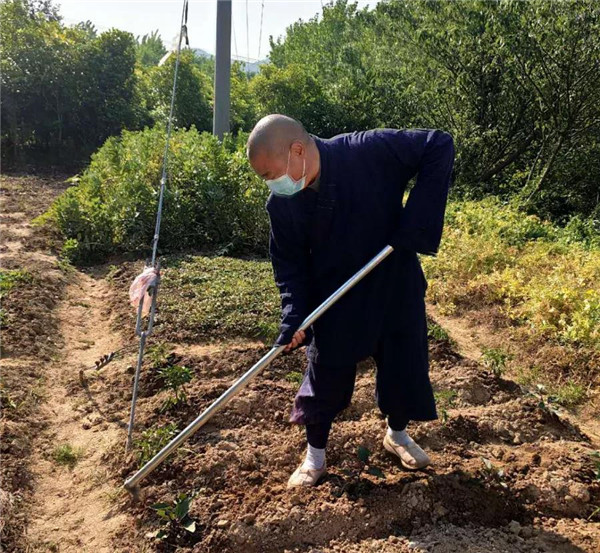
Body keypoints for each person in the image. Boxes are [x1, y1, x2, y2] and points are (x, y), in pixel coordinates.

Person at [246, 114, 455, 488]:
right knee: (325, 375)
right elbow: (289, 264)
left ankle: (398, 434)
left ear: (298, 150)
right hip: (336, 294)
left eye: (270, 174)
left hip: (395, 280)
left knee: (403, 367)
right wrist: (296, 316)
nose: (272, 185)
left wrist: (415, 223)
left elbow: (438, 144)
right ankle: (315, 456)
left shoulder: (367, 150)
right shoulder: (283, 204)